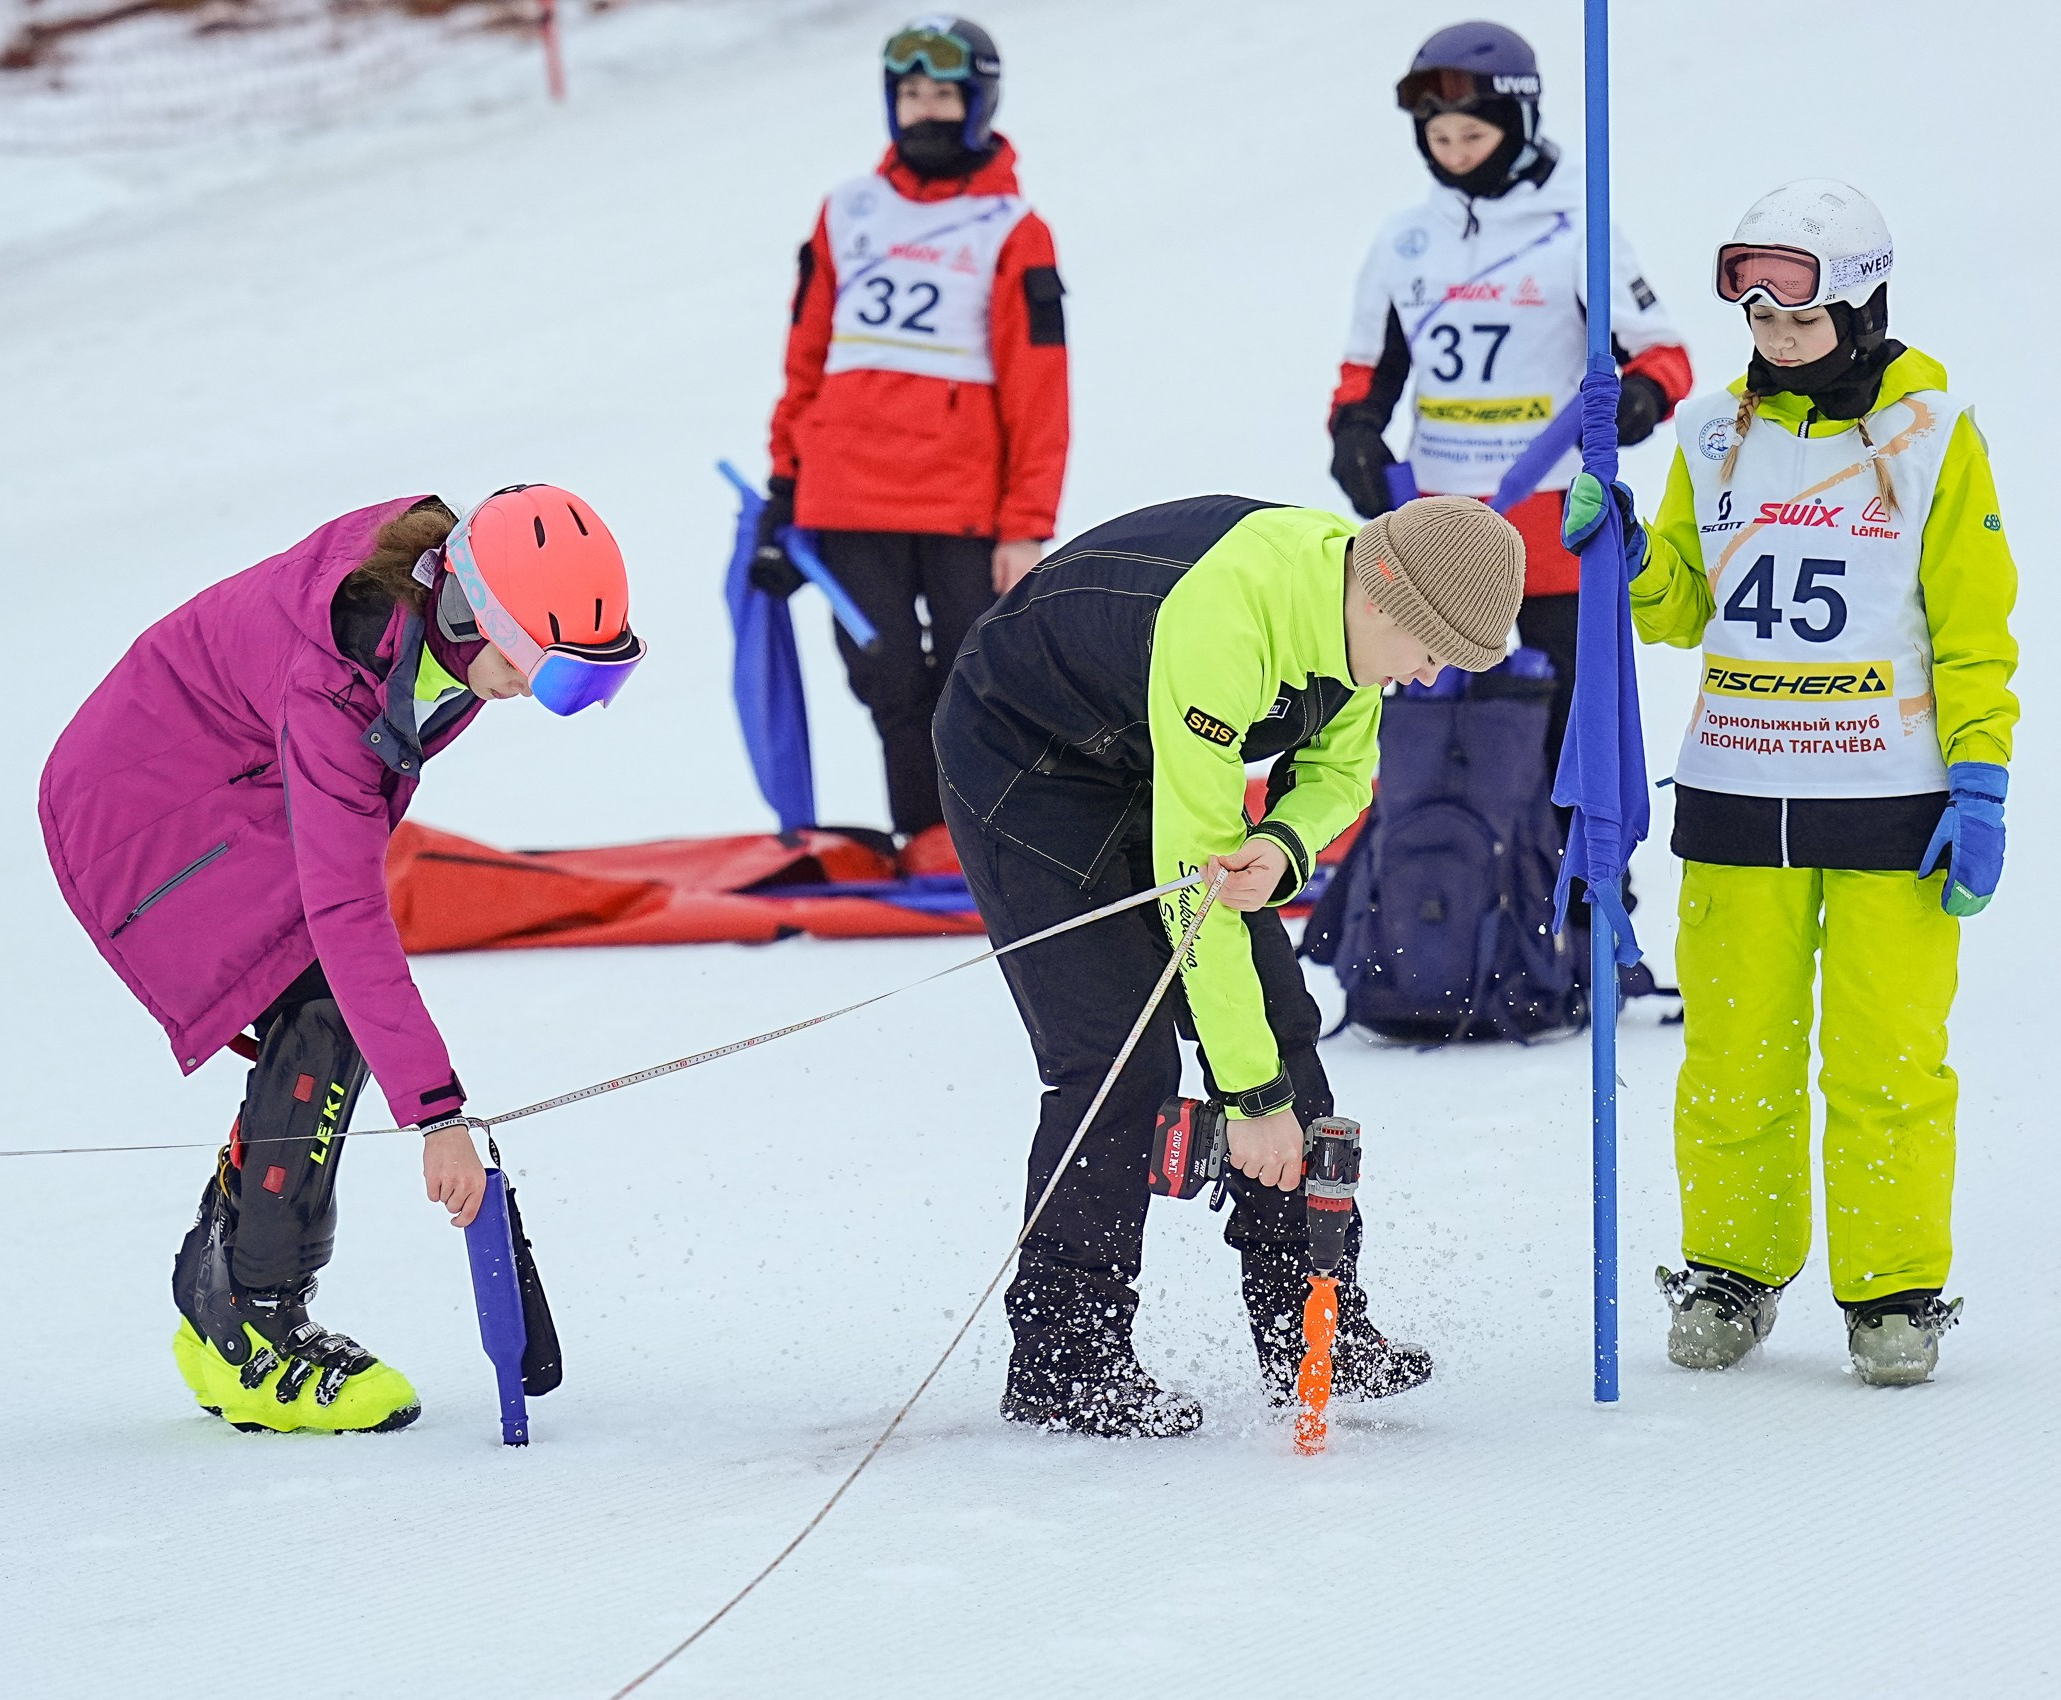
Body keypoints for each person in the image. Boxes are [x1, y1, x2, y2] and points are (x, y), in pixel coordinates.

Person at [39, 488, 644, 1432]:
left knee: (324, 996)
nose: (542, 696)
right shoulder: (335, 681)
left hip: (221, 777)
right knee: (326, 1000)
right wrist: (437, 1116)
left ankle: (221, 1285)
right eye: (548, 674)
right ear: (473, 611)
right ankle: (254, 1325)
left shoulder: (439, 618)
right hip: (144, 814)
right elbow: (349, 912)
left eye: (582, 685)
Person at [936, 494, 1527, 1435]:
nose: (1427, 676)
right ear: (1382, 601)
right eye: (1430, 653)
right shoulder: (1233, 619)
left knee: (1285, 1034)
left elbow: (1340, 773)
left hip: (1149, 756)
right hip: (1028, 760)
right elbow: (1192, 897)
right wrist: (1250, 1104)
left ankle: (1311, 1328)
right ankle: (1064, 1357)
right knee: (1117, 1061)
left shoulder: (1357, 607)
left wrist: (1286, 844)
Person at [1596, 181, 2017, 1385]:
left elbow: (1975, 629)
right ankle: (1730, 1273)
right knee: (1733, 1057)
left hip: (1892, 797)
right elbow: (1680, 605)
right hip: (1734, 793)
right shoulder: (1710, 433)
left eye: (1802, 321)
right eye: (1760, 321)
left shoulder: (1933, 434)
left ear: (1863, 307)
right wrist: (1627, 552)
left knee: (1886, 1061)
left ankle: (1891, 1296)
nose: (1776, 342)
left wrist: (1979, 784)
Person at [1331, 21, 1691, 791]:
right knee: (1436, 699)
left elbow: (1663, 353)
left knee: (1569, 710)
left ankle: (1586, 879)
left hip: (1552, 516)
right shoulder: (1405, 241)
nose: (1456, 152)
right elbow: (1369, 369)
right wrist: (1355, 431)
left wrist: (1639, 396)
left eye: (1474, 133)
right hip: (1438, 522)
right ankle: (1450, 877)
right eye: (1440, 136)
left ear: (1519, 123)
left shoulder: (1576, 228)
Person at [754, 14, 1068, 871]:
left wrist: (1026, 523)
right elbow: (806, 357)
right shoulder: (848, 210)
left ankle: (994, 838)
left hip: (965, 505)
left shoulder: (1014, 227)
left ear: (978, 104)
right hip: (846, 498)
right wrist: (783, 492)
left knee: (979, 679)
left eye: (943, 94)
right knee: (887, 678)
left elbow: (1041, 389)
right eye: (910, 94)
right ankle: (927, 842)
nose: (925, 110)